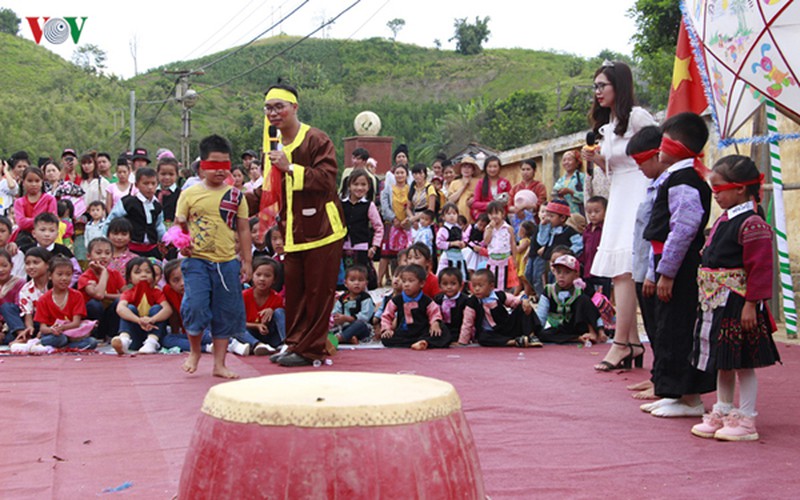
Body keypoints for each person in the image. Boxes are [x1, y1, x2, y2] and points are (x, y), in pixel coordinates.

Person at [689, 155, 780, 441]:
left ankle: (747, 418)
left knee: (743, 362)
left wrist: (752, 304)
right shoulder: (726, 219)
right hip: (717, 302)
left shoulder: (752, 223)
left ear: (740, 188)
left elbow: (761, 268)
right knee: (723, 359)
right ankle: (722, 410)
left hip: (738, 302)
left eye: (719, 189)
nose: (715, 195)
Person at [261, 84, 345, 368]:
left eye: (279, 107)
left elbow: (326, 179)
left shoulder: (316, 139)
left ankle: (312, 350)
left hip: (323, 229)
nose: (273, 113)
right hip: (292, 232)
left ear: (295, 108)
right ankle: (295, 343)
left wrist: (290, 168)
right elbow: (271, 190)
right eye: (268, 108)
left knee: (318, 292)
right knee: (295, 290)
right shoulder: (273, 144)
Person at [638, 112, 716, 415]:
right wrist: (653, 270)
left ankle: (690, 398)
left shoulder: (687, 180)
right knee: (667, 328)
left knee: (681, 328)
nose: (659, 146)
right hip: (665, 264)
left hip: (681, 269)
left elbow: (682, 229)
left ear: (678, 145)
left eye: (664, 140)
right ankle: (671, 391)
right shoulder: (672, 178)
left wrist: (666, 272)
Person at [583, 60, 657, 371]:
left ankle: (622, 343)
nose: (597, 92)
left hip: (640, 191)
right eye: (596, 86)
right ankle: (632, 341)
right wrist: (597, 159)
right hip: (620, 195)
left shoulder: (638, 117)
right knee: (618, 272)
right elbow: (613, 170)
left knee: (628, 268)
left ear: (619, 86)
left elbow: (658, 150)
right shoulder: (609, 126)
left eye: (603, 85)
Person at [176, 134, 252, 377]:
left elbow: (243, 229)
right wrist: (182, 243)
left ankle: (220, 364)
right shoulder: (189, 194)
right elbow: (179, 224)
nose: (220, 170)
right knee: (196, 306)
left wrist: (247, 261)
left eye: (225, 165)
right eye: (214, 165)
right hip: (196, 260)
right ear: (202, 166)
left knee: (225, 311)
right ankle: (195, 351)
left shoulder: (236, 195)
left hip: (227, 262)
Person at [625, 125, 665, 400]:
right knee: (651, 326)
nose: (639, 169)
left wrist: (654, 272)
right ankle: (656, 377)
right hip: (642, 266)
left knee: (662, 330)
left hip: (655, 269)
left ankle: (664, 383)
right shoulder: (653, 186)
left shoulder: (672, 185)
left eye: (641, 162)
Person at [530, 254, 604, 344]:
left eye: (567, 272)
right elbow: (541, 315)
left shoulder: (580, 290)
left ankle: (592, 333)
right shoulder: (548, 290)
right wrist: (535, 330)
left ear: (576, 274)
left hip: (577, 325)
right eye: (558, 272)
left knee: (584, 299)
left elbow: (593, 311)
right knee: (541, 334)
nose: (561, 276)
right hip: (559, 329)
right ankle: (577, 338)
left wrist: (601, 331)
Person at [33, 256, 98, 351]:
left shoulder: (77, 295)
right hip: (53, 334)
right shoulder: (43, 299)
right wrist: (53, 330)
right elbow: (43, 328)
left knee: (92, 342)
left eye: (68, 274)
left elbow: (76, 323)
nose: (64, 278)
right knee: (60, 338)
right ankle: (56, 346)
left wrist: (62, 328)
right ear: (50, 276)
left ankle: (57, 348)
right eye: (59, 274)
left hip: (71, 333)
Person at [464, 269, 541, 348]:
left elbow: (515, 301)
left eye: (480, 286)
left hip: (506, 327)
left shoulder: (499, 295)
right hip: (492, 333)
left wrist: (524, 299)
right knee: (482, 338)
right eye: (474, 286)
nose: (476, 289)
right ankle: (516, 341)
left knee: (524, 306)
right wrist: (463, 342)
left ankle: (531, 336)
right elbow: (467, 323)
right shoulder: (472, 302)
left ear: (491, 286)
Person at [380, 264, 450, 350]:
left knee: (443, 331)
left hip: (422, 332)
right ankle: (419, 343)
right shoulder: (397, 300)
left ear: (422, 283)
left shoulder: (427, 300)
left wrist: (435, 323)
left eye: (411, 281)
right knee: (386, 339)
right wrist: (387, 329)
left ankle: (424, 342)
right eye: (404, 281)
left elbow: (435, 313)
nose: (406, 285)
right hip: (404, 333)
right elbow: (386, 315)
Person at [112, 257, 172, 355]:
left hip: (154, 332)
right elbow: (120, 308)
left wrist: (152, 319)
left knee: (157, 308)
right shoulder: (128, 293)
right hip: (136, 335)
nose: (143, 275)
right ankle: (124, 340)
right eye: (137, 272)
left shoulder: (156, 292)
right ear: (130, 278)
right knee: (129, 309)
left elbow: (167, 309)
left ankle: (151, 342)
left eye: (148, 272)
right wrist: (138, 320)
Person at [106, 167, 166, 259]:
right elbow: (111, 220)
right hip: (131, 249)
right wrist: (104, 241)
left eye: (153, 183)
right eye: (145, 183)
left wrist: (166, 240)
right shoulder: (128, 202)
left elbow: (159, 226)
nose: (150, 187)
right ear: (137, 185)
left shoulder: (157, 205)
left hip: (152, 249)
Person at [341, 169, 383, 289]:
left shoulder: (369, 205)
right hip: (342, 249)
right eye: (356, 184)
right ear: (349, 186)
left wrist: (374, 247)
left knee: (361, 279)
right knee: (345, 280)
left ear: (369, 187)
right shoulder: (341, 204)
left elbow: (379, 227)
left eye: (363, 184)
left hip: (362, 249)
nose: (359, 188)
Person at [160, 260, 213, 353]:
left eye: (186, 277)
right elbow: (174, 314)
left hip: (210, 329)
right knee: (167, 339)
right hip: (190, 333)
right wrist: (175, 332)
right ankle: (207, 348)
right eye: (176, 280)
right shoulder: (168, 291)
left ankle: (229, 342)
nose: (182, 283)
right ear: (169, 284)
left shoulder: (202, 287)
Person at [79, 237, 125, 340]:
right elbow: (98, 296)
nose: (103, 256)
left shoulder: (115, 274)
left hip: (109, 317)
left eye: (107, 253)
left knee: (120, 302)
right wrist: (104, 272)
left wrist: (106, 295)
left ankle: (112, 335)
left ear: (112, 256)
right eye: (98, 253)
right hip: (92, 318)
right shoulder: (85, 277)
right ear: (89, 256)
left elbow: (127, 295)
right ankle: (95, 336)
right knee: (95, 304)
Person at [241, 257, 285, 353]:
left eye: (267, 276)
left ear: (274, 280)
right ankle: (257, 345)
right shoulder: (244, 296)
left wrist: (272, 311)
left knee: (279, 312)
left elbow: (281, 320)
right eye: (258, 275)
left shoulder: (277, 298)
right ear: (252, 276)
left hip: (270, 335)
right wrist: (257, 326)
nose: (262, 279)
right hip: (250, 333)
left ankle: (285, 344)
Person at [378, 164, 412, 288]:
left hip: (407, 226)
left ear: (406, 174)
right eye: (397, 173)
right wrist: (394, 219)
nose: (399, 175)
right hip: (391, 225)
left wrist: (407, 220)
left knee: (405, 255)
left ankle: (404, 281)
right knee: (385, 254)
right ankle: (378, 281)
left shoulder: (411, 189)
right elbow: (384, 207)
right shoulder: (387, 189)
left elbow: (413, 205)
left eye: (402, 172)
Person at [11, 247, 52, 348]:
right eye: (28, 263)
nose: (31, 267)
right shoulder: (26, 289)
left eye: (36, 262)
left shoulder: (56, 284)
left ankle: (39, 340)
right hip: (37, 323)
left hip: (55, 322)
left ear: (47, 265)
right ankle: (26, 336)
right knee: (7, 308)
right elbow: (28, 315)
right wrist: (29, 328)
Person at [13, 166, 57, 248]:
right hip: (24, 239)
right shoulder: (19, 202)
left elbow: (51, 220)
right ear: (23, 182)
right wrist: (40, 220)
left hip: (45, 238)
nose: (33, 184)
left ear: (42, 182)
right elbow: (21, 223)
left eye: (37, 181)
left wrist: (30, 221)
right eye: (30, 181)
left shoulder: (50, 199)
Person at [331, 264, 375, 345]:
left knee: (359, 325)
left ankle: (339, 338)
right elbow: (336, 311)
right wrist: (336, 317)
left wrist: (347, 318)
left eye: (360, 280)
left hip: (362, 328)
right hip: (344, 327)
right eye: (352, 280)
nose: (357, 283)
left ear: (366, 283)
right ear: (345, 283)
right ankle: (348, 338)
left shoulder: (365, 298)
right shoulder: (343, 298)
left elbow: (364, 317)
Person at [483, 200, 516, 291]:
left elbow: (512, 243)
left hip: (505, 260)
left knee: (504, 283)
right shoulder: (488, 228)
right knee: (492, 282)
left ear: (502, 214)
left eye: (496, 213)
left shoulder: (508, 228)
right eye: (491, 214)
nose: (494, 216)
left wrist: (514, 258)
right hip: (493, 260)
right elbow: (486, 241)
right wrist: (490, 229)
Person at [434, 267, 472, 346]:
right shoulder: (438, 299)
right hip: (444, 328)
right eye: (445, 284)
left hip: (459, 329)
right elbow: (434, 314)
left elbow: (467, 321)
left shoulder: (465, 300)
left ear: (460, 285)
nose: (449, 287)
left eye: (453, 284)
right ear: (439, 286)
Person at [581, 196, 610, 296]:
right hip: (588, 271)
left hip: (602, 271)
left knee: (603, 299)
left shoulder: (606, 230)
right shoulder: (586, 230)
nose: (593, 215)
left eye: (597, 211)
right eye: (589, 212)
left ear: (606, 211)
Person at [470, 156, 511, 221]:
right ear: (485, 168)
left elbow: (510, 200)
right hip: (485, 217)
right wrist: (489, 205)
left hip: (501, 217)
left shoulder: (505, 183)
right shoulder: (481, 183)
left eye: (495, 166)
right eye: (490, 167)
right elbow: (475, 203)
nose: (492, 169)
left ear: (499, 167)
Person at [435, 202, 468, 281]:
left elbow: (465, 238)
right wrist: (451, 243)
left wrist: (463, 243)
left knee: (460, 273)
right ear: (443, 217)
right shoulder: (444, 229)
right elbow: (439, 243)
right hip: (448, 255)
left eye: (454, 213)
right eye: (448, 214)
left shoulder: (459, 228)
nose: (452, 216)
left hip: (459, 254)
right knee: (445, 274)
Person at [0, 249, 26, 344]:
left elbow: (20, 308)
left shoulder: (19, 283)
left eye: (4, 266)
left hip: (15, 322)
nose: (1, 270)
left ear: (11, 266)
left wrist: (5, 328)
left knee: (6, 307)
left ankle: (21, 335)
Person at [447, 156, 481, 224]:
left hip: (474, 219)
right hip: (458, 219)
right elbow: (450, 200)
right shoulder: (454, 183)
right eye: (464, 167)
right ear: (460, 169)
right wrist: (464, 186)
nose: (466, 169)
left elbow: (484, 197)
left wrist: (475, 198)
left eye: (469, 167)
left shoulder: (479, 182)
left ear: (473, 170)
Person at [552, 150, 585, 215]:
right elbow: (553, 195)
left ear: (577, 162)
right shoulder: (560, 180)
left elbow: (587, 196)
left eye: (569, 160)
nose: (566, 162)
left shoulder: (582, 177)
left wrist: (570, 192)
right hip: (563, 215)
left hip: (578, 215)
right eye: (564, 160)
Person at [156, 156, 181, 224]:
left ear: (177, 175)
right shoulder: (152, 193)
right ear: (157, 174)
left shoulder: (181, 194)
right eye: (163, 174)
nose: (167, 177)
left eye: (171, 174)